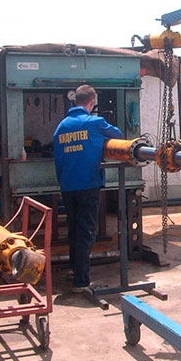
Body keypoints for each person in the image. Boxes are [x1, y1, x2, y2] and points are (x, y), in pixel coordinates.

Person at [53, 84, 124, 293]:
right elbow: (119, 136)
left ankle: (75, 270)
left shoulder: (61, 126)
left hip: (67, 185)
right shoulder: (95, 122)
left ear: (75, 101)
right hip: (87, 184)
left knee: (74, 229)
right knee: (87, 231)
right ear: (92, 102)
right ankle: (81, 282)